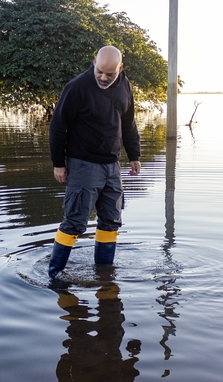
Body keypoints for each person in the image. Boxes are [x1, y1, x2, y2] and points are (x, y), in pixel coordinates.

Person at [48, 45, 141, 278]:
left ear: (120, 68)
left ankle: (104, 276)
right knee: (75, 222)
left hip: (112, 166)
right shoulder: (77, 87)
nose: (103, 77)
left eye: (110, 74)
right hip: (83, 164)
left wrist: (134, 156)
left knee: (111, 220)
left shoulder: (125, 86)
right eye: (99, 71)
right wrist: (59, 163)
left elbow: (128, 122)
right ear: (94, 62)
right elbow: (58, 126)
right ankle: (54, 276)